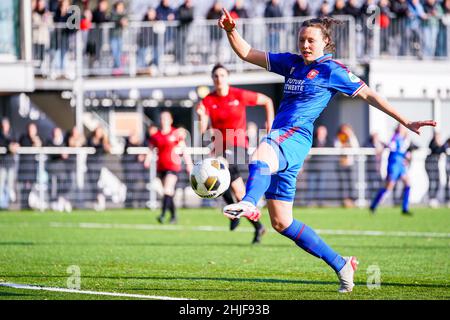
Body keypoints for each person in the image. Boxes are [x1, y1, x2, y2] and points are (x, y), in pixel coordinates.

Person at [217, 11, 436, 292]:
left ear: (325, 43)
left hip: (294, 137)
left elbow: (369, 94)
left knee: (261, 152)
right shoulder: (291, 63)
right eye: (302, 40)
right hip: (286, 142)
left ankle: (249, 201)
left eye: (311, 40)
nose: (305, 45)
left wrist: (404, 120)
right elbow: (247, 53)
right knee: (282, 222)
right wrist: (231, 30)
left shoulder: (332, 70)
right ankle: (342, 264)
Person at [196, 63, 274, 244]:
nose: (219, 79)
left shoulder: (238, 94)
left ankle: (234, 216)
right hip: (220, 147)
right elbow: (202, 131)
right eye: (215, 76)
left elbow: (267, 101)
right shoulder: (208, 100)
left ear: (227, 77)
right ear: (212, 79)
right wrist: (200, 116)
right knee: (238, 193)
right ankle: (257, 227)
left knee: (217, 170)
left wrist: (270, 122)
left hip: (238, 145)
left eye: (222, 75)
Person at [147, 111, 192, 224]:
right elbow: (151, 149)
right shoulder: (156, 136)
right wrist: (147, 159)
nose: (164, 121)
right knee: (168, 193)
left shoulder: (175, 133)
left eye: (166, 118)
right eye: (162, 118)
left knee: (167, 190)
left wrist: (189, 164)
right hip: (161, 167)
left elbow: (183, 149)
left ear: (171, 120)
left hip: (173, 166)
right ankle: (173, 216)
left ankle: (162, 215)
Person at [370, 125, 417, 215]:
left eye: (402, 127)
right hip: (393, 164)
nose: (401, 128)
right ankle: (374, 205)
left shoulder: (406, 139)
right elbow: (391, 147)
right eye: (399, 127)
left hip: (400, 166)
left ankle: (405, 208)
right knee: (389, 187)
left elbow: (408, 150)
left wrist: (407, 158)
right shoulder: (395, 138)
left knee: (408, 184)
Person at [334, 124, 359, 208]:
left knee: (351, 183)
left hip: (350, 163)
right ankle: (344, 200)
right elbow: (337, 148)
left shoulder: (352, 138)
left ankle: (351, 200)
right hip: (341, 164)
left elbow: (356, 148)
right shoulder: (339, 137)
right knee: (343, 183)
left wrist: (350, 136)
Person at [306, 125, 331, 207]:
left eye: (323, 131)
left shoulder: (328, 142)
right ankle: (309, 202)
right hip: (313, 167)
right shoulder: (313, 141)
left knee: (321, 185)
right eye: (320, 131)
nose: (321, 133)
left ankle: (320, 202)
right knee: (311, 185)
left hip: (323, 167)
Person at [86, 126, 111, 211]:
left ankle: (100, 198)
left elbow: (108, 148)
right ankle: (96, 200)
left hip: (98, 164)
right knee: (92, 182)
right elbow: (88, 144)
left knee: (96, 182)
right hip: (90, 164)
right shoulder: (90, 138)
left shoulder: (103, 140)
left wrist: (105, 138)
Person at [0, 118, 19, 209]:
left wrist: (13, 146)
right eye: (3, 125)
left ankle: (7, 204)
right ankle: (2, 204)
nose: (5, 127)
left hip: (11, 164)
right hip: (2, 164)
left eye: (6, 125)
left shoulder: (13, 134)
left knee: (10, 185)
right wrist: (9, 146)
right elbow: (3, 143)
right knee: (1, 184)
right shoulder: (1, 135)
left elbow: (16, 143)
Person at [425, 131, 447, 207]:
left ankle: (433, 198)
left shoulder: (442, 145)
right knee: (432, 181)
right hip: (430, 163)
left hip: (436, 164)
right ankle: (431, 198)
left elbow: (444, 150)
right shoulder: (432, 144)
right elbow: (434, 149)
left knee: (437, 180)